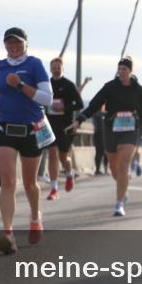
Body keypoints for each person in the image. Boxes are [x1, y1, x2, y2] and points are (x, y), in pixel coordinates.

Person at [0, 27, 55, 254]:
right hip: (4, 127)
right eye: (9, 43)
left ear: (26, 44)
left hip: (31, 129)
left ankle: (35, 218)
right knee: (7, 181)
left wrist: (21, 85)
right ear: (5, 45)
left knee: (29, 183)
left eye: (18, 43)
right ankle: (8, 233)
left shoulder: (35, 64)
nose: (13, 47)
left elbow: (47, 99)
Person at [68, 57, 142, 217]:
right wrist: (79, 120)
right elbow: (93, 105)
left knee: (123, 165)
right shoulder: (110, 87)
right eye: (119, 69)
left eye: (124, 69)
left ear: (131, 71)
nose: (121, 72)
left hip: (130, 130)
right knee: (114, 167)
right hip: (111, 129)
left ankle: (119, 203)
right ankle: (123, 186)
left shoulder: (138, 89)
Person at [43, 57, 84, 200]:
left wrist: (64, 108)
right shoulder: (46, 85)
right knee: (52, 154)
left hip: (66, 125)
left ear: (62, 68)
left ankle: (69, 173)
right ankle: (54, 189)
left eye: (58, 67)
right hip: (50, 125)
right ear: (50, 69)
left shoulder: (68, 85)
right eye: (53, 67)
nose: (56, 69)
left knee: (63, 157)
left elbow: (80, 104)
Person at [91, 109, 109, 175]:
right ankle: (97, 170)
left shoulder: (103, 112)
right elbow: (102, 113)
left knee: (106, 152)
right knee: (99, 152)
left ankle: (106, 170)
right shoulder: (96, 112)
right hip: (98, 134)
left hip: (105, 134)